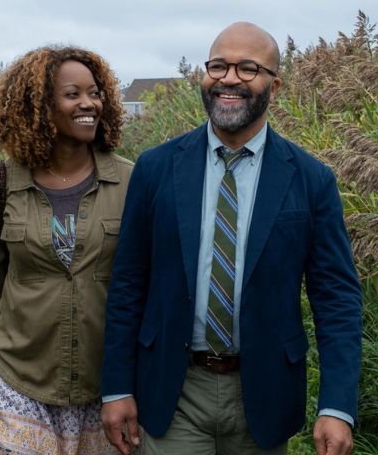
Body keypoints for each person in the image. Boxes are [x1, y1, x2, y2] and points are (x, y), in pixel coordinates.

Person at [100, 22, 363, 455]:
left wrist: (336, 406)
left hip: (263, 392)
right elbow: (128, 282)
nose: (229, 78)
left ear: (273, 86)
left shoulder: (311, 180)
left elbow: (337, 299)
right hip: (174, 386)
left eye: (248, 68)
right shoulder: (155, 168)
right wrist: (115, 387)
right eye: (218, 65)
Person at [0, 46, 132, 455]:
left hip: (106, 385)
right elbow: (2, 278)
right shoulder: (0, 184)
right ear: (39, 106)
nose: (88, 104)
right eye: (72, 94)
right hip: (20, 375)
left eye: (95, 93)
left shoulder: (133, 183)